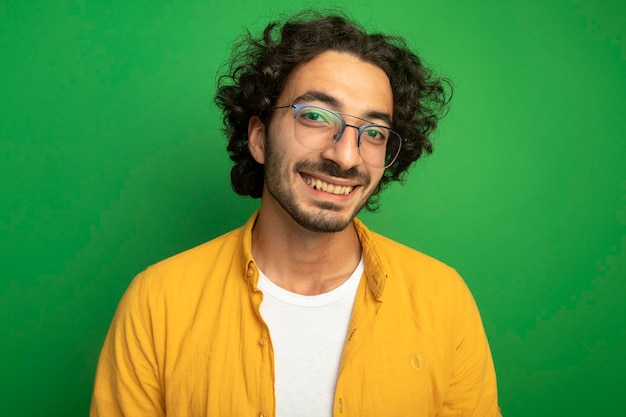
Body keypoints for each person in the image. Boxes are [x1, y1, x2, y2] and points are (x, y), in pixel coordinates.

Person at [90, 10, 501, 417]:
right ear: (259, 138)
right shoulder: (156, 303)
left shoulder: (444, 301)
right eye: (316, 117)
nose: (344, 155)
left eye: (373, 132)